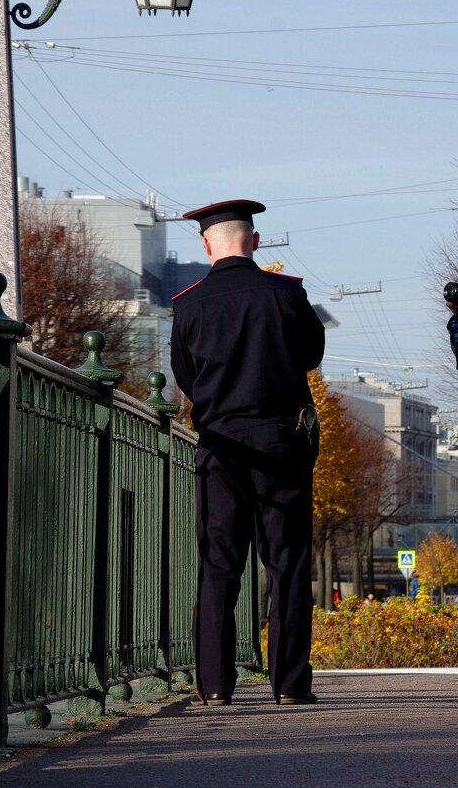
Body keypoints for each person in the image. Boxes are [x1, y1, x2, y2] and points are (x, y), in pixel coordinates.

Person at [170, 199, 325, 707]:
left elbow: (187, 380)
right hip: (281, 440)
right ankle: (290, 683)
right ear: (255, 242)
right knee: (288, 562)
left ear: (206, 244)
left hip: (220, 445)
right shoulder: (286, 293)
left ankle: (214, 684)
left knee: (220, 563)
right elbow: (311, 356)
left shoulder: (189, 304)